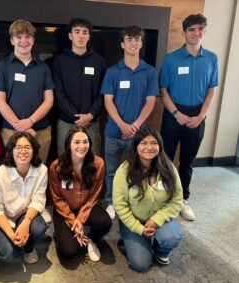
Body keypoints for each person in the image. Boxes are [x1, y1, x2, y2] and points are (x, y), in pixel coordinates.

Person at [0, 19, 54, 222]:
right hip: (12, 130)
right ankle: (12, 212)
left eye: (27, 37)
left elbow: (49, 100)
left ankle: (37, 208)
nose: (23, 41)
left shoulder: (43, 67)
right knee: (14, 172)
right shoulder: (2, 66)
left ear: (33, 40)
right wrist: (21, 126)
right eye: (19, 37)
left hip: (41, 130)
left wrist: (30, 122)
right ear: (12, 40)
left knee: (38, 170)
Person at [159, 14, 218, 221]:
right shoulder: (171, 59)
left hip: (198, 115)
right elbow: (163, 90)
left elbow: (211, 90)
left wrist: (201, 116)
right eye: (192, 29)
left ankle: (182, 199)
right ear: (184, 33)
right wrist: (176, 114)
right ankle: (162, 197)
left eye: (200, 29)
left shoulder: (212, 58)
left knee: (187, 160)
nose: (196, 33)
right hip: (173, 114)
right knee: (164, 158)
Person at [101, 25, 159, 220]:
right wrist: (122, 125)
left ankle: (132, 201)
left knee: (137, 170)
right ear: (122, 44)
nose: (133, 43)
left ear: (141, 44)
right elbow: (108, 101)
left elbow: (150, 102)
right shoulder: (112, 71)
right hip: (113, 133)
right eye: (130, 39)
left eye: (137, 40)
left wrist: (134, 126)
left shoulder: (149, 72)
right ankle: (110, 202)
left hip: (139, 135)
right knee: (111, 171)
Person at [113, 127, 183, 272]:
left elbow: (176, 201)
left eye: (154, 143)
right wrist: (139, 228)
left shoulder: (168, 168)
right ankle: (131, 242)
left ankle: (160, 251)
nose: (149, 147)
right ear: (136, 146)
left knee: (172, 237)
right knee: (141, 264)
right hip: (134, 220)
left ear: (160, 146)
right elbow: (120, 205)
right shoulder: (125, 170)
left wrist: (157, 220)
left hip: (159, 219)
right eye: (144, 143)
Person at [49, 126, 112, 262]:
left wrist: (80, 220)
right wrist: (73, 219)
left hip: (87, 206)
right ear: (68, 144)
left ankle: (91, 239)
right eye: (77, 142)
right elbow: (57, 198)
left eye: (85, 142)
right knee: (69, 251)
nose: (82, 146)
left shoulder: (98, 163)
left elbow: (95, 195)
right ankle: (63, 234)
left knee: (105, 222)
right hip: (64, 209)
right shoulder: (56, 166)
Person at [0, 132, 48, 264]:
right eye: (18, 147)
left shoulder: (42, 170)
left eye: (27, 147)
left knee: (39, 228)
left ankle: (29, 248)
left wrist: (25, 224)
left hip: (23, 214)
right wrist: (12, 235)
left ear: (34, 150)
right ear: (11, 150)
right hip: (2, 218)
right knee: (10, 253)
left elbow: (38, 200)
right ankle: (1, 242)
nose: (23, 151)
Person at [52, 17, 106, 156]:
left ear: (89, 36)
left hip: (91, 123)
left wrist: (90, 115)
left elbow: (103, 93)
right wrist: (76, 117)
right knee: (64, 163)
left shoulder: (99, 61)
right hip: (66, 122)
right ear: (70, 35)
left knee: (93, 164)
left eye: (84, 32)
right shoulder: (59, 61)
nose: (81, 36)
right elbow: (58, 93)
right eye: (77, 32)